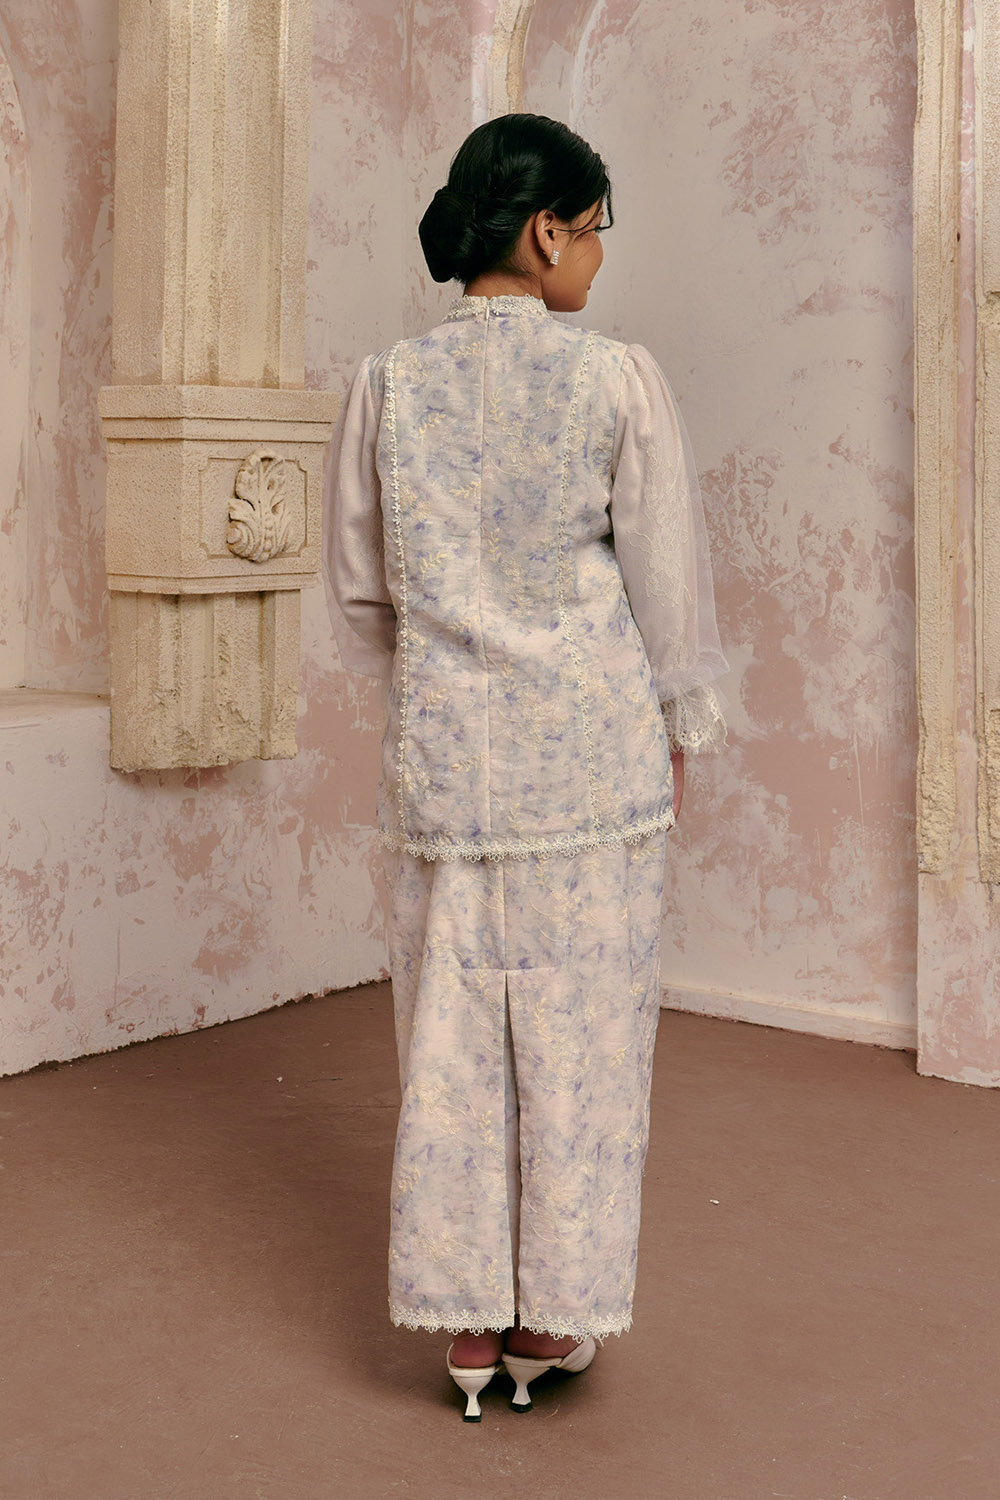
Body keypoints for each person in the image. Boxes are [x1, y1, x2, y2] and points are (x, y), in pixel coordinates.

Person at [322, 113, 729, 1420]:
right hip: (592, 770)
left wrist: (449, 676)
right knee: (584, 1041)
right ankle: (554, 1319)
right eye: (595, 229)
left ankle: (466, 1332)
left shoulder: (388, 385)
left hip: (447, 771)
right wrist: (678, 721)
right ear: (547, 231)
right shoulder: (615, 380)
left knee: (448, 1041)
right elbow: (666, 588)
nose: (600, 254)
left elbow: (360, 594)